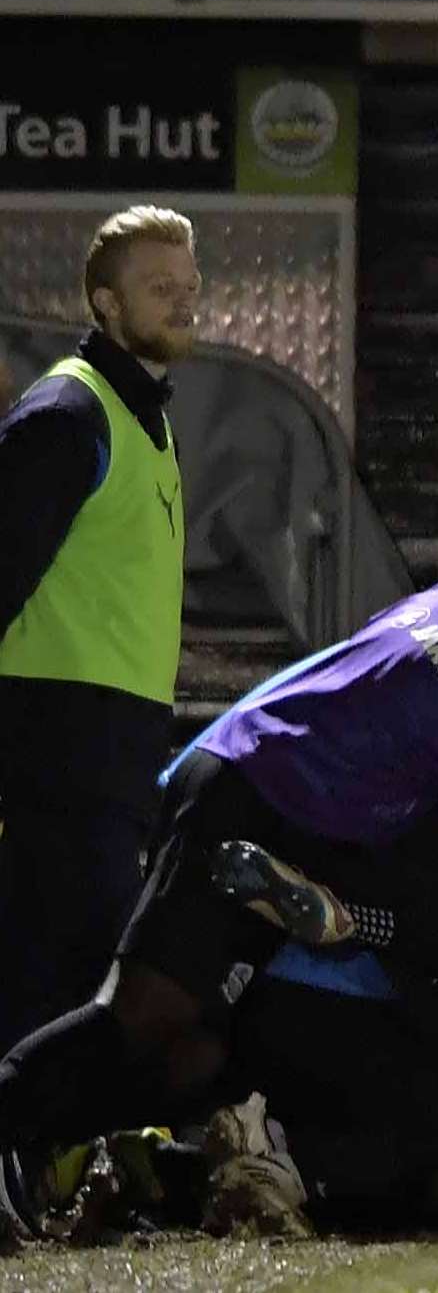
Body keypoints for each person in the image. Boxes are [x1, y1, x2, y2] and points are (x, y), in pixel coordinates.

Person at [0, 543, 438, 1239]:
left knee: (192, 1044)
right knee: (139, 1013)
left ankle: (86, 1160)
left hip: (263, 774)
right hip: (268, 795)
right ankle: (18, 1134)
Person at [0, 206, 197, 1048]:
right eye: (160, 289)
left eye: (190, 287)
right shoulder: (68, 416)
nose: (184, 303)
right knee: (34, 1001)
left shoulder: (145, 422)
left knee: (74, 1003)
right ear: (105, 303)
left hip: (107, 771)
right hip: (51, 769)